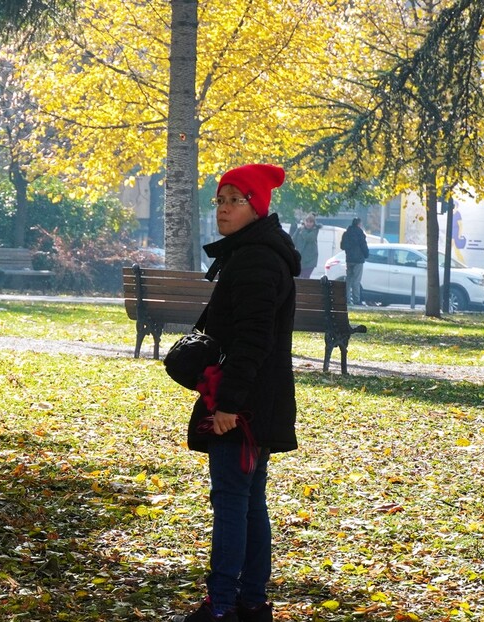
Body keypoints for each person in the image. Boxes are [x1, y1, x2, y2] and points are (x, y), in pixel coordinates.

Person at [174, 164, 299, 622]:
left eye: (234, 200)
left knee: (232, 502)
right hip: (253, 402)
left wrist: (228, 404)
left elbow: (253, 339)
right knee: (247, 501)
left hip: (242, 407)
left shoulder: (256, 260)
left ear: (257, 206)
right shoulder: (254, 253)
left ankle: (223, 605)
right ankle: (249, 603)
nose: (223, 209)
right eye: (220, 199)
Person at [339, 217, 369, 305]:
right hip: (358, 260)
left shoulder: (346, 233)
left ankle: (347, 299)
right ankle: (356, 300)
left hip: (349, 259)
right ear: (359, 224)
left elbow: (342, 246)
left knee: (349, 279)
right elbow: (364, 246)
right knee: (356, 280)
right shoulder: (360, 233)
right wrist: (366, 254)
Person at [290, 214, 321, 278]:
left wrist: (303, 230)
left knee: (305, 277)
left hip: (310, 260)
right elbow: (293, 240)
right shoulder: (299, 229)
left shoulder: (315, 230)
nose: (308, 224)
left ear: (313, 223)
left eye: (311, 222)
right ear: (304, 221)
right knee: (297, 277)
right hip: (300, 259)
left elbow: (309, 238)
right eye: (307, 221)